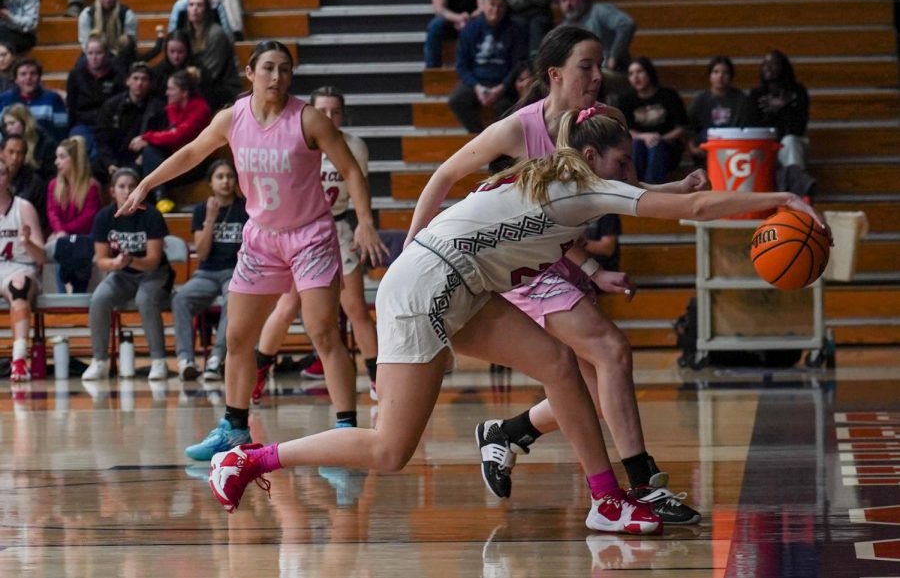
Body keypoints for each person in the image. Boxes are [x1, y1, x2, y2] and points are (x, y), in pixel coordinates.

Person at [205, 107, 825, 531]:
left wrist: (661, 190)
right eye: (622, 164)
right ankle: (251, 460)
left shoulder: (554, 178)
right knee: (390, 448)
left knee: (561, 365)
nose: (628, 179)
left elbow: (643, 198)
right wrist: (779, 198)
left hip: (453, 280)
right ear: (588, 156)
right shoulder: (583, 184)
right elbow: (694, 205)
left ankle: (607, 501)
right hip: (427, 288)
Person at [406, 26, 705, 525]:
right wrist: (415, 251)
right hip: (513, 268)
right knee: (611, 350)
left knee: (586, 384)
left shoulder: (602, 122)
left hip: (555, 260)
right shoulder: (519, 129)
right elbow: (443, 177)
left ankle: (508, 433)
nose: (597, 75)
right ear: (555, 73)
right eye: (587, 65)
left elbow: (623, 190)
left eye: (600, 64)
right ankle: (642, 482)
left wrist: (675, 187)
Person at [117, 41, 387, 460]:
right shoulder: (232, 118)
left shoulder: (308, 119)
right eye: (268, 68)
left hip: (310, 235)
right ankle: (234, 428)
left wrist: (365, 221)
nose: (276, 77)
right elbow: (191, 152)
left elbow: (350, 168)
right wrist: (146, 183)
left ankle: (346, 431)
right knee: (239, 337)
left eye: (284, 69)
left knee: (323, 332)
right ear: (250, 72)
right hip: (261, 236)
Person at [252, 85, 379, 404]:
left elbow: (358, 189)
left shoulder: (354, 147)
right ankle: (258, 373)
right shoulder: (295, 143)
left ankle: (379, 381)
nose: (329, 117)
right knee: (287, 306)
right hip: (302, 233)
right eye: (322, 111)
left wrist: (365, 223)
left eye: (335, 111)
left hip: (338, 228)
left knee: (356, 309)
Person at [81, 167, 173, 381]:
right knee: (99, 299)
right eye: (121, 186)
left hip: (153, 273)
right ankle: (100, 361)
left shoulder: (151, 215)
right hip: (122, 273)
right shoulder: (104, 217)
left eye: (132, 186)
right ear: (112, 191)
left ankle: (159, 361)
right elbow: (102, 260)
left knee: (145, 299)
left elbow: (153, 261)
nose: (127, 191)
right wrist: (116, 262)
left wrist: (131, 259)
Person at [172, 159, 248, 381]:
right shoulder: (201, 210)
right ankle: (186, 360)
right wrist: (210, 220)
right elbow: (202, 253)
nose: (225, 181)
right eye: (220, 177)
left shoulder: (245, 209)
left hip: (235, 272)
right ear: (211, 183)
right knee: (181, 299)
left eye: (229, 176)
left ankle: (216, 359)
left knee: (233, 300)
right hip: (207, 272)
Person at [130, 69, 212, 213]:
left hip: (195, 161)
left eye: (171, 89)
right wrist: (148, 143)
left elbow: (178, 136)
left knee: (148, 155)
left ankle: (155, 200)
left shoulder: (200, 109)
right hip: (175, 157)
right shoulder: (171, 107)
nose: (167, 93)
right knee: (147, 155)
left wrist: (146, 138)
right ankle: (158, 199)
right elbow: (166, 135)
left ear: (184, 92)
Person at [449, 0, 526, 134]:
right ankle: (479, 137)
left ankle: (501, 143)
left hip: (502, 82)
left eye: (500, 6)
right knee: (457, 100)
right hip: (476, 81)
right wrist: (477, 87)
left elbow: (517, 63)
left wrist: (501, 87)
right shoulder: (470, 29)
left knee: (509, 107)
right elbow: (461, 65)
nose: (496, 10)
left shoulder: (515, 29)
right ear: (483, 5)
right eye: (492, 4)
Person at [0, 158, 45, 382]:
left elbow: (41, 257)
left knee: (19, 289)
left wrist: (27, 242)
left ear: (8, 178)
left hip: (20, 267)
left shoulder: (23, 207)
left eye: (1, 174)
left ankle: (19, 360)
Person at [93, 62, 167, 184]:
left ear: (150, 83)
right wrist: (109, 163)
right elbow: (101, 138)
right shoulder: (111, 106)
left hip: (141, 161)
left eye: (144, 79)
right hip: (114, 159)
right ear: (128, 81)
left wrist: (147, 148)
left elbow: (163, 137)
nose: (139, 83)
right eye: (135, 78)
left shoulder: (158, 108)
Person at [45, 136, 102, 293]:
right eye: (57, 157)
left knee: (72, 245)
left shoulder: (91, 186)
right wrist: (59, 231)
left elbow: (88, 218)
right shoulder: (53, 185)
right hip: (61, 234)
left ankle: (76, 290)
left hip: (85, 236)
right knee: (58, 244)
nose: (57, 162)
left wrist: (64, 232)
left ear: (75, 160)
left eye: (62, 157)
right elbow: (52, 212)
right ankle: (63, 292)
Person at [619, 56, 688, 185]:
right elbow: (623, 129)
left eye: (639, 72)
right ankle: (636, 186)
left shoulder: (669, 95)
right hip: (638, 146)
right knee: (638, 144)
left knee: (656, 146)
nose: (635, 77)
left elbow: (681, 128)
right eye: (631, 74)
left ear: (649, 72)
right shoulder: (625, 100)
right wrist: (644, 136)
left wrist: (660, 139)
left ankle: (652, 188)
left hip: (668, 145)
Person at [180, 0, 242, 111]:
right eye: (191, 5)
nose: (195, 8)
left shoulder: (216, 33)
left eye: (199, 5)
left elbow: (211, 72)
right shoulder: (186, 32)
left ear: (206, 9)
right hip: (198, 84)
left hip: (221, 88)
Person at [749, 50, 810, 169]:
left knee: (790, 142)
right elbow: (754, 126)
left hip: (791, 142)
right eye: (765, 64)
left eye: (773, 64)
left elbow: (799, 128)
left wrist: (784, 107)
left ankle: (795, 184)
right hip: (765, 143)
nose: (768, 68)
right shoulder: (756, 94)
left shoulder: (797, 92)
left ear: (783, 67)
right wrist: (771, 112)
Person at [66, 34, 125, 154]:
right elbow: (71, 104)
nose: (94, 57)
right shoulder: (76, 75)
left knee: (100, 153)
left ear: (106, 54)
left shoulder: (117, 74)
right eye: (90, 53)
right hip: (83, 124)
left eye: (98, 53)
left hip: (108, 125)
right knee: (78, 150)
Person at [687, 55, 751, 166]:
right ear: (710, 75)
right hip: (707, 148)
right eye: (716, 72)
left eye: (725, 73)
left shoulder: (741, 100)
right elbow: (689, 128)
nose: (720, 76)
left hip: (734, 146)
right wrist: (692, 147)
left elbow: (745, 129)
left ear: (731, 76)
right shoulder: (700, 100)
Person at [558, 0, 634, 73]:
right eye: (564, 0)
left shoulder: (599, 11)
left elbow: (626, 24)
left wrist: (614, 56)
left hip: (610, 71)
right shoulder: (563, 27)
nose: (568, 4)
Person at [0, 58, 68, 142]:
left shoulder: (53, 99)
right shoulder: (4, 100)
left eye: (33, 73)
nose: (28, 78)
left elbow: (61, 132)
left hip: (44, 150)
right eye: (23, 74)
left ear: (39, 78)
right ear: (16, 79)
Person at [1, 133, 47, 233]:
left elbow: (42, 221)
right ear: (1, 153)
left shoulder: (35, 182)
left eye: (20, 153)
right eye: (11, 152)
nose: (15, 157)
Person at [2, 104, 57, 180]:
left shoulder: (46, 144)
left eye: (12, 123)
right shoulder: (7, 141)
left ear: (25, 123)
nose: (8, 128)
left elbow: (50, 177)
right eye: (6, 125)